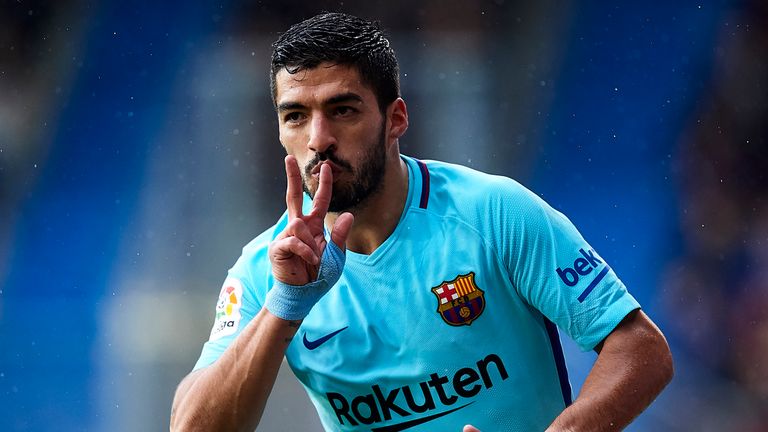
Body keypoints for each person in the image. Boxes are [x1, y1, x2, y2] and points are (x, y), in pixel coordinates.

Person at [170, 12, 673, 432]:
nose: (318, 138)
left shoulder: (494, 213)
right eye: (296, 115)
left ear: (396, 119)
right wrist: (284, 307)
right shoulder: (268, 269)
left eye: (342, 110)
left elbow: (642, 349)